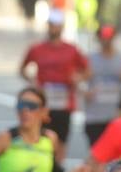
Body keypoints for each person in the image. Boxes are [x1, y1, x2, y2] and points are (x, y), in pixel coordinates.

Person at [20, 10, 88, 147]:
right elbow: (22, 69)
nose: (53, 28)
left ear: (62, 27)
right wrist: (32, 81)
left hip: (64, 104)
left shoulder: (72, 49)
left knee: (61, 142)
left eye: (56, 25)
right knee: (42, 139)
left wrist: (77, 79)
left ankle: (57, 166)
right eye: (51, 25)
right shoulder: (37, 48)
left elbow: (87, 70)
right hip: (43, 103)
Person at [83, 25, 121, 151]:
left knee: (116, 154)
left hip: (116, 115)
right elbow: (76, 81)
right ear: (98, 38)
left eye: (109, 37)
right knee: (97, 153)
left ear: (114, 37)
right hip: (95, 116)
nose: (106, 40)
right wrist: (85, 92)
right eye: (103, 37)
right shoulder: (89, 59)